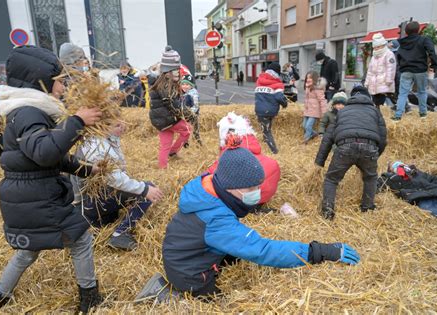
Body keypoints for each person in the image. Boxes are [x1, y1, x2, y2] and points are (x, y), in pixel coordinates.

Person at [135, 145, 360, 302]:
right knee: (215, 303)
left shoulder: (208, 189)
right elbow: (262, 250)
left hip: (188, 255)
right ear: (232, 187)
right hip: (191, 275)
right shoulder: (215, 220)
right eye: (251, 189)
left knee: (237, 254)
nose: (257, 193)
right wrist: (318, 251)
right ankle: (164, 296)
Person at [0, 46, 103, 312]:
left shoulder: (25, 110)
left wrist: (86, 170)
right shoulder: (28, 112)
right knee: (81, 238)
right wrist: (76, 121)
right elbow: (44, 152)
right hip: (36, 194)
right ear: (42, 82)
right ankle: (89, 297)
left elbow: (47, 156)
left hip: (25, 192)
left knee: (29, 249)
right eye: (60, 81)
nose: (63, 87)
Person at [72, 119, 164, 250]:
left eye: (122, 123)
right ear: (103, 127)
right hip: (86, 206)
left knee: (140, 188)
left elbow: (118, 173)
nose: (123, 127)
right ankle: (120, 233)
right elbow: (115, 179)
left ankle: (102, 222)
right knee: (146, 190)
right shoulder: (96, 146)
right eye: (117, 125)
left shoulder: (105, 139)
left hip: (93, 201)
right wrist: (144, 189)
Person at [315, 85, 387, 220]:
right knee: (370, 178)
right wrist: (376, 154)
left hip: (345, 147)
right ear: (368, 97)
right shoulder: (375, 111)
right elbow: (383, 138)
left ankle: (327, 210)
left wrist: (320, 161)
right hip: (369, 147)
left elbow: (328, 138)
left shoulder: (342, 111)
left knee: (331, 179)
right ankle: (367, 208)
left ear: (351, 97)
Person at [207, 112, 280, 207]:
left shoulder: (230, 158)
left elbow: (209, 178)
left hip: (238, 201)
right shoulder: (272, 163)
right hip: (261, 200)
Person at [149, 46, 191, 169]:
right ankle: (174, 151)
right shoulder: (166, 84)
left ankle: (163, 167)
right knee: (186, 131)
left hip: (160, 120)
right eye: (175, 70)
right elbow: (173, 103)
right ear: (168, 71)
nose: (177, 73)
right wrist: (187, 112)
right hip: (168, 118)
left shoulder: (160, 82)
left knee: (165, 144)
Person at [392, 21, 437, 121]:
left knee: (403, 93)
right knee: (422, 92)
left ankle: (398, 116)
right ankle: (423, 114)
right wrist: (434, 65)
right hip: (420, 70)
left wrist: (401, 66)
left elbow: (398, 55)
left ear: (406, 32)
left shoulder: (402, 42)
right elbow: (431, 52)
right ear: (418, 30)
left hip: (406, 70)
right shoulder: (424, 39)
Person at [254, 62, 288, 154]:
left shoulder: (259, 80)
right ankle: (274, 151)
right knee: (267, 130)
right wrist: (285, 104)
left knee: (265, 129)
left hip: (259, 110)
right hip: (270, 111)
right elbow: (279, 97)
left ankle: (266, 142)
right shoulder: (278, 83)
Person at [364, 33, 397, 110]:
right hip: (374, 82)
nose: (376, 49)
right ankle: (377, 112)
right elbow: (370, 71)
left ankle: (400, 108)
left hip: (384, 81)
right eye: (375, 47)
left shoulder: (389, 54)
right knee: (376, 100)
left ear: (383, 45)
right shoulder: (374, 56)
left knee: (385, 98)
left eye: (378, 47)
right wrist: (367, 82)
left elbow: (391, 68)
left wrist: (389, 80)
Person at [303, 71, 327, 144]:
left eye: (310, 77)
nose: (308, 79)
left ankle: (305, 140)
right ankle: (314, 134)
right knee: (304, 125)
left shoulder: (318, 88)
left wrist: (324, 112)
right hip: (307, 110)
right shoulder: (308, 87)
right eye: (307, 77)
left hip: (314, 111)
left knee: (308, 126)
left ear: (314, 79)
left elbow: (322, 100)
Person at [180, 73, 201, 145]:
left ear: (191, 85)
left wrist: (190, 113)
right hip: (184, 115)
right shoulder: (183, 93)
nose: (184, 86)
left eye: (187, 84)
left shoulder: (193, 94)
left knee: (195, 130)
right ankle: (185, 143)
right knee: (185, 130)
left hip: (192, 115)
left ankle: (198, 143)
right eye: (183, 84)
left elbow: (196, 106)